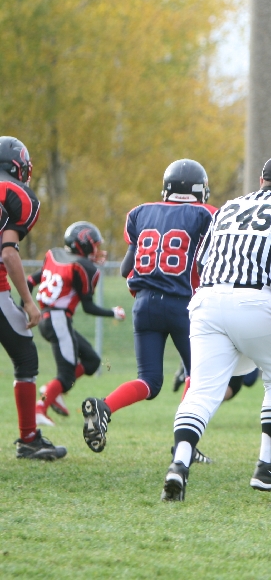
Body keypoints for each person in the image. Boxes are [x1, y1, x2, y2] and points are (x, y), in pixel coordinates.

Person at [161, 154, 271, 502]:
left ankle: (179, 463)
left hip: (207, 299)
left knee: (202, 391)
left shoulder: (228, 207)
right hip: (256, 300)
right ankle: (268, 465)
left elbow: (200, 261)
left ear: (260, 181)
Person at [80, 160, 218, 455]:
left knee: (149, 381)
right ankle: (184, 445)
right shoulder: (206, 214)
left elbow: (125, 269)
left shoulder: (140, 212)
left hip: (144, 305)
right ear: (199, 190)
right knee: (198, 378)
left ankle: (105, 406)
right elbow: (211, 263)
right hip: (183, 305)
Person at [0, 137, 66, 460]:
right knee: (25, 356)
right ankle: (29, 439)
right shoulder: (17, 194)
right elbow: (8, 253)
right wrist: (28, 300)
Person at [29, 222, 126, 426]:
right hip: (58, 320)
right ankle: (41, 406)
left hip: (50, 319)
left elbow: (30, 280)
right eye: (94, 246)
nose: (96, 251)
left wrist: (25, 308)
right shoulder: (83, 267)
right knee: (65, 376)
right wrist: (113, 312)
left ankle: (53, 391)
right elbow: (88, 307)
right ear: (83, 244)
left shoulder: (55, 255)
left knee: (91, 360)